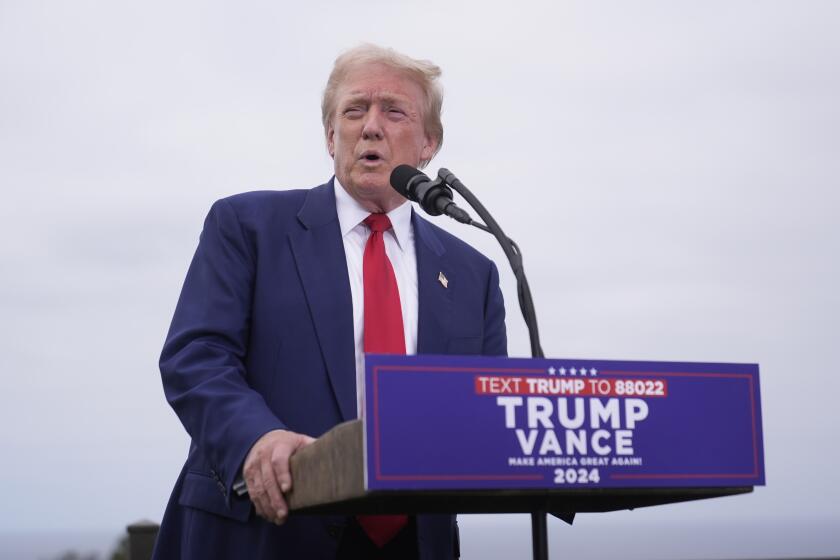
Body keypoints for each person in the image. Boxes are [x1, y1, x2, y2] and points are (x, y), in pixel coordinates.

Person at [153, 44, 507, 559]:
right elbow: (196, 358)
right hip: (266, 530)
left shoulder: (476, 273)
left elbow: (486, 407)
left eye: (394, 111)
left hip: (414, 542)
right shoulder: (247, 227)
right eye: (354, 110)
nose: (370, 127)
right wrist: (256, 439)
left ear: (429, 143)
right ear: (330, 135)